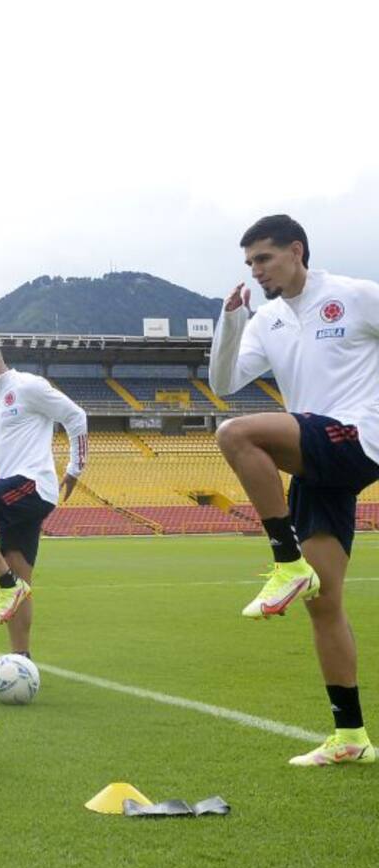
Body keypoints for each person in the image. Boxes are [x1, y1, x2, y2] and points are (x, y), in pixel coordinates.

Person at [210, 213, 379, 767]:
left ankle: (286, 560)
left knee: (236, 434)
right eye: (250, 263)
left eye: (264, 258)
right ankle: (350, 737)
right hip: (318, 461)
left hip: (357, 435)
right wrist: (231, 322)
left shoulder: (354, 296)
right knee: (324, 604)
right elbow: (223, 383)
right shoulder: (268, 321)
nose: (257, 271)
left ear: (296, 251)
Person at [0, 337, 86, 660]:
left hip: (32, 485)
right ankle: (21, 662)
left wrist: (75, 468)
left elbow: (76, 417)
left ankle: (7, 584)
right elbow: (4, 451)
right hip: (14, 486)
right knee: (22, 577)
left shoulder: (28, 386)